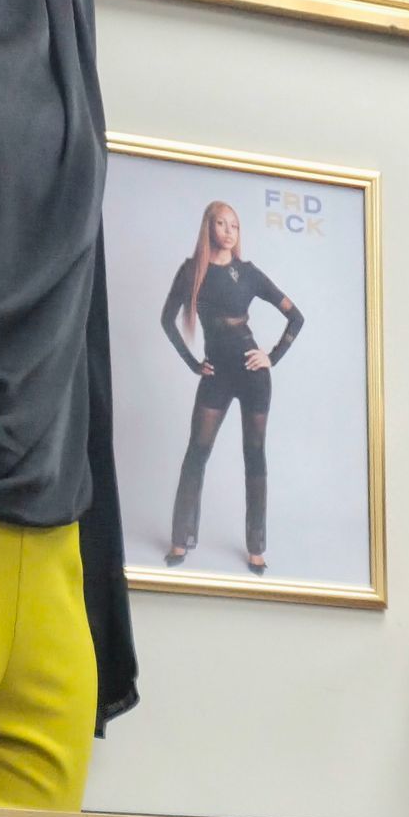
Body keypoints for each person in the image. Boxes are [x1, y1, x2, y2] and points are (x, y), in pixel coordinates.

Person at [160, 200, 303, 573]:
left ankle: (256, 548)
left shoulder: (249, 273)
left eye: (234, 226)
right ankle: (180, 541)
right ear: (208, 228)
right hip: (216, 376)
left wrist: (272, 355)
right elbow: (166, 321)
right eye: (221, 224)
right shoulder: (191, 272)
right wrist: (194, 364)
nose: (228, 231)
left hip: (253, 375)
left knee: (254, 456)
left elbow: (296, 316)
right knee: (197, 452)